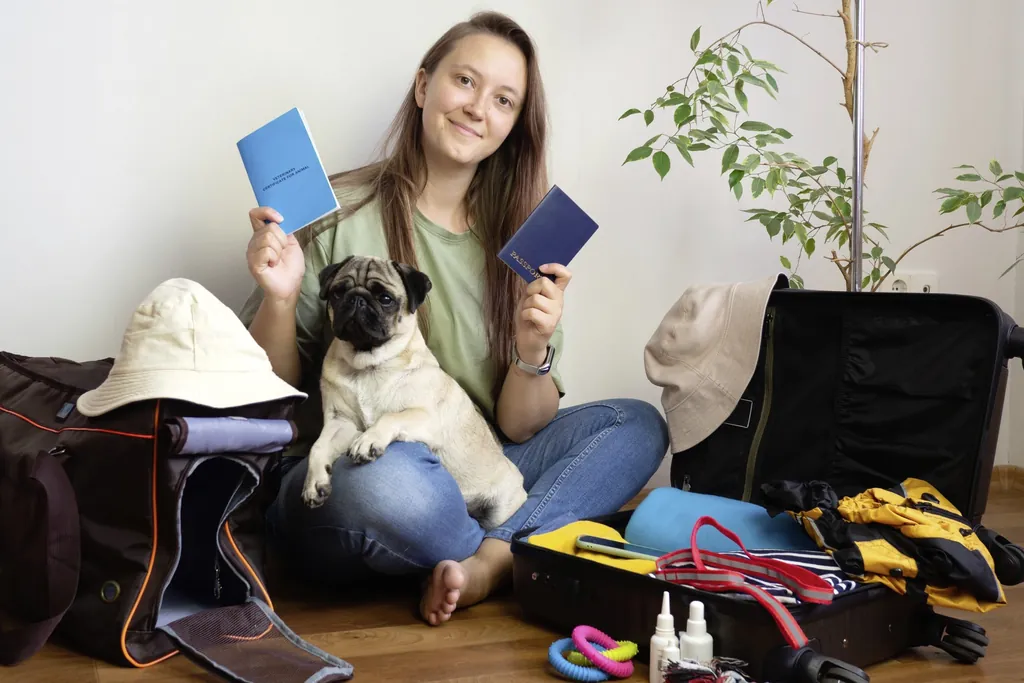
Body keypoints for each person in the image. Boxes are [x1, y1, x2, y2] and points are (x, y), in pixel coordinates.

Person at [238, 10, 669, 626]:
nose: (477, 108)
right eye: (464, 81)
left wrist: (530, 347)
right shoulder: (337, 212)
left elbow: (520, 429)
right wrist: (279, 297)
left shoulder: (519, 248)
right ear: (422, 87)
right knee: (384, 482)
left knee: (637, 423)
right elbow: (267, 394)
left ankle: (487, 560)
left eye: (503, 99)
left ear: (514, 125)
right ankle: (517, 547)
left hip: (472, 464)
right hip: (350, 476)